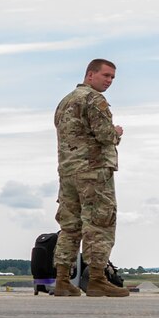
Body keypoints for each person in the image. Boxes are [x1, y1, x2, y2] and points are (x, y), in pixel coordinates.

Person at [52, 60, 129, 297]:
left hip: (68, 172)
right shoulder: (94, 99)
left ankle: (63, 279)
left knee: (70, 226)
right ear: (90, 75)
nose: (109, 81)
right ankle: (96, 278)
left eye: (112, 78)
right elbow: (105, 136)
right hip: (93, 171)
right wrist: (116, 133)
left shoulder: (65, 102)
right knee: (99, 223)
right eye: (106, 75)